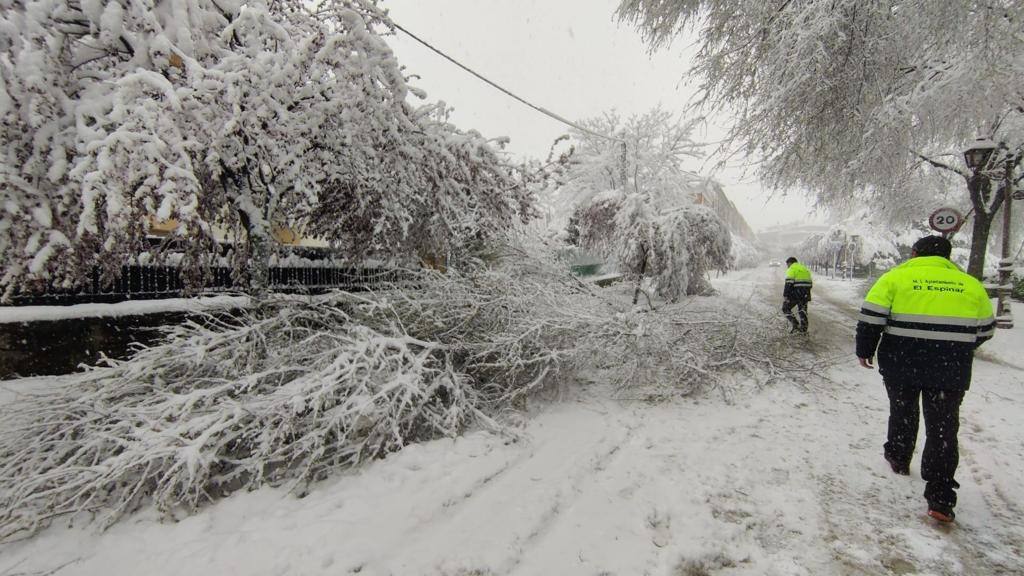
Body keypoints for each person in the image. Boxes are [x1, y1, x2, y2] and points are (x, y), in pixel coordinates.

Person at [856, 236, 995, 523]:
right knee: (943, 428)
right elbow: (985, 330)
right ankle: (941, 497)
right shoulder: (970, 285)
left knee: (903, 410)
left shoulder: (895, 278)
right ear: (947, 256)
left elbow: (870, 318)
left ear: (915, 253)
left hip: (901, 364)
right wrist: (954, 348)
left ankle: (898, 456)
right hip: (949, 370)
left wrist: (865, 351)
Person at [782, 256, 813, 333]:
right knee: (803, 311)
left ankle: (795, 325)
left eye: (787, 265)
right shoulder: (804, 268)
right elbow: (810, 283)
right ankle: (803, 329)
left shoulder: (792, 269)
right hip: (805, 293)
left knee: (785, 308)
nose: (787, 266)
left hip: (796, 293)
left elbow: (788, 283)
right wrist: (805, 292)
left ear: (790, 263)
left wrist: (786, 295)